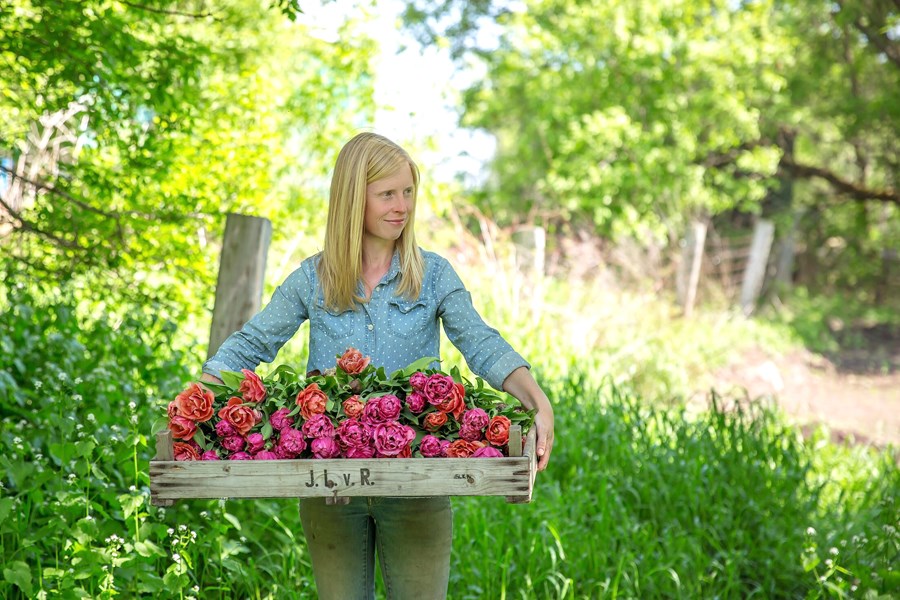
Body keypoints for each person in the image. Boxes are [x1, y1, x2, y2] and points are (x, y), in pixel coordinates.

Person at [200, 132, 554, 599]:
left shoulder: (432, 275)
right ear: (353, 199)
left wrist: (537, 399)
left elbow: (480, 342)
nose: (401, 205)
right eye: (387, 193)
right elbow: (253, 343)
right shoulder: (314, 278)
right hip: (331, 489)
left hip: (417, 487)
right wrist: (196, 398)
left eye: (408, 192)